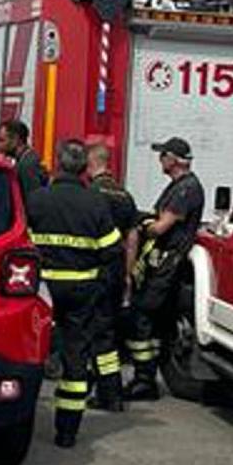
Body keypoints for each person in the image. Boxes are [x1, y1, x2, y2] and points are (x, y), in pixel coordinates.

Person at [25, 139, 121, 449]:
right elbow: (112, 250)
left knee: (29, 351)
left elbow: (20, 243)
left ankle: (21, 413)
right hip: (82, 292)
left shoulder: (37, 200)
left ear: (57, 163)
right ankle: (67, 431)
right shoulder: (95, 203)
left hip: (42, 291)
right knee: (75, 359)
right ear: (84, 168)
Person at [124, 137, 205, 400]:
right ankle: (146, 375)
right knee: (152, 319)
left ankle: (144, 379)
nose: (160, 160)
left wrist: (143, 223)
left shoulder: (186, 189)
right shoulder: (178, 187)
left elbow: (160, 227)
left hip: (167, 266)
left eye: (163, 156)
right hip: (160, 264)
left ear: (173, 159)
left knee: (142, 316)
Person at [83, 138, 141, 411]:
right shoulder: (125, 195)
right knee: (109, 331)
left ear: (91, 163)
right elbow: (132, 239)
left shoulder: (91, 194)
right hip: (118, 271)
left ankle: (109, 392)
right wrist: (128, 274)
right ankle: (109, 389)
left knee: (99, 334)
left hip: (96, 271)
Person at [0, 118, 49, 194]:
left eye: (2, 140)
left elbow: (31, 198)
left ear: (16, 140)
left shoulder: (27, 165)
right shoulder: (27, 160)